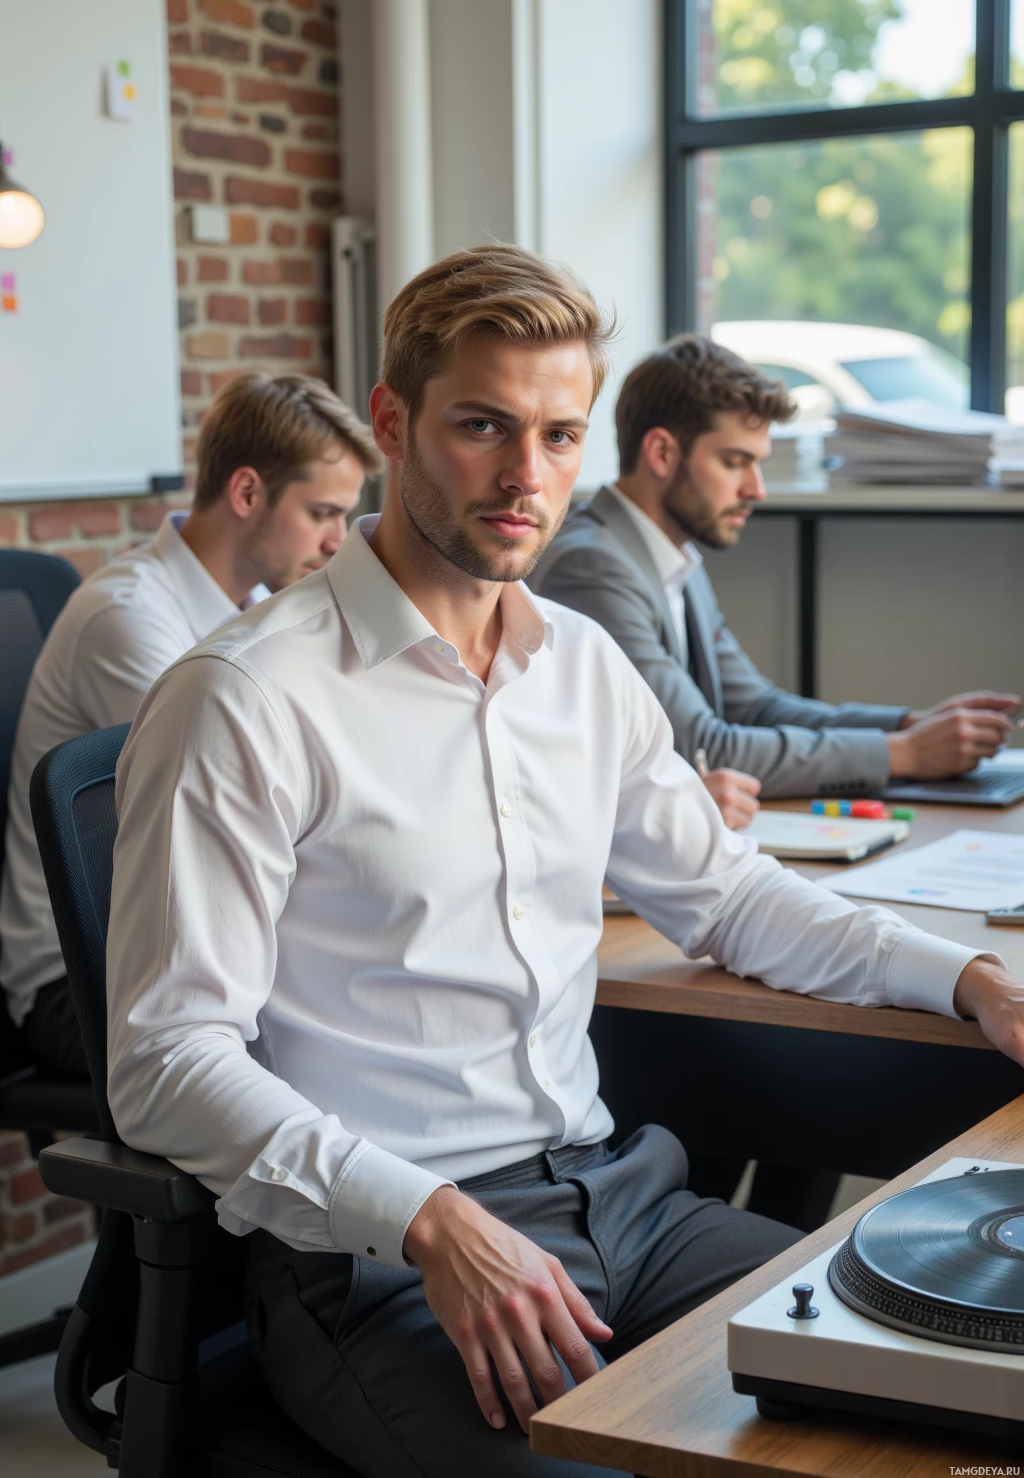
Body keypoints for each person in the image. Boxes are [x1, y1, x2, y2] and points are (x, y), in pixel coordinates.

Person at [105, 247, 1024, 1478]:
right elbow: (167, 1063)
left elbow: (731, 895)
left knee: (948, 1391)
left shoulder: (580, 665)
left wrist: (972, 980)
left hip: (620, 1203)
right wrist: (427, 1222)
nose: (523, 476)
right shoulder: (243, 697)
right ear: (392, 423)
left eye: (556, 435)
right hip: (380, 1258)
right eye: (481, 427)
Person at [0, 371, 379, 1079]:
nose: (338, 542)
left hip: (189, 946)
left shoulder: (265, 611)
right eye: (323, 513)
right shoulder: (130, 620)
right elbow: (225, 815)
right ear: (245, 494)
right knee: (333, 1055)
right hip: (83, 981)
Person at [531, 335, 1021, 815]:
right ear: (661, 453)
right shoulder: (594, 566)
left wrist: (908, 724)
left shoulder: (670, 556)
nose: (756, 490)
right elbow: (701, 749)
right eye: (734, 462)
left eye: (757, 465)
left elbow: (756, 706)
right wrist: (907, 753)